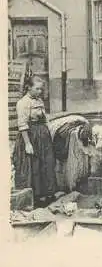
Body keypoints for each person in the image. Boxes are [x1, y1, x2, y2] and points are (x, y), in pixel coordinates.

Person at [13, 76, 57, 206]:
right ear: (29, 88)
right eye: (37, 89)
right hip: (31, 136)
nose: (39, 91)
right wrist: (27, 144)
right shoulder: (23, 103)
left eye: (41, 89)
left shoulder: (39, 101)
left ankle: (47, 193)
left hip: (43, 136)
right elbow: (22, 124)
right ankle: (36, 197)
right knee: (34, 166)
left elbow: (44, 119)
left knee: (47, 163)